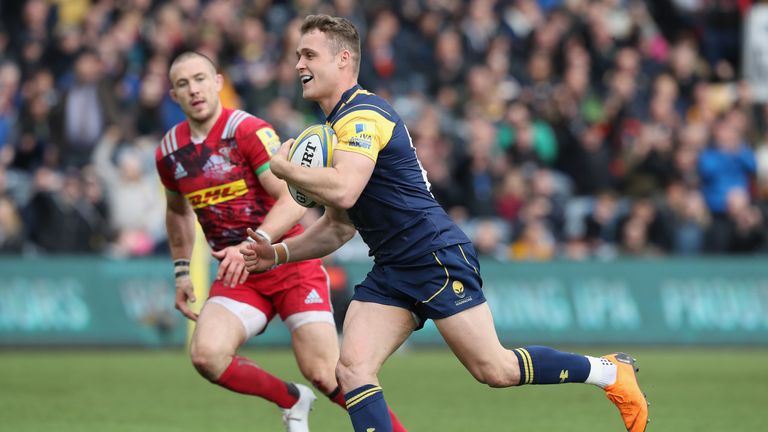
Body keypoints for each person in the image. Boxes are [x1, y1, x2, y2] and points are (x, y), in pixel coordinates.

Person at [242, 15, 649, 432]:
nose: (298, 65)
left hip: (432, 254)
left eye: (308, 55)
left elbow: (345, 190)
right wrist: (276, 254)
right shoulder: (335, 128)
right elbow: (340, 226)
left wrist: (282, 168)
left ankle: (609, 372)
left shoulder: (362, 116)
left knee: (495, 368)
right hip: (393, 267)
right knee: (351, 369)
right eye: (296, 56)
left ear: (343, 59)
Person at [155, 51, 406, 432]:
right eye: (183, 84)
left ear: (219, 82)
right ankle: (292, 399)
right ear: (173, 95)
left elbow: (292, 198)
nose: (194, 89)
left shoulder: (248, 131)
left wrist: (258, 244)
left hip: (287, 262)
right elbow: (177, 212)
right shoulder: (170, 152)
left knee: (325, 372)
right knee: (207, 356)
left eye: (200, 78)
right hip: (239, 272)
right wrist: (181, 270)